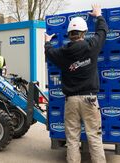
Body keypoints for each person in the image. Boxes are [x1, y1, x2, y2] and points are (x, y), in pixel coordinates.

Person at [44, 4, 108, 163]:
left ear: (69, 34)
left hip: (71, 101)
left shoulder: (62, 52)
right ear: (84, 33)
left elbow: (49, 52)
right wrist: (98, 16)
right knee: (94, 137)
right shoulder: (91, 46)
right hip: (90, 100)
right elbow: (102, 32)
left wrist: (47, 42)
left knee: (72, 139)